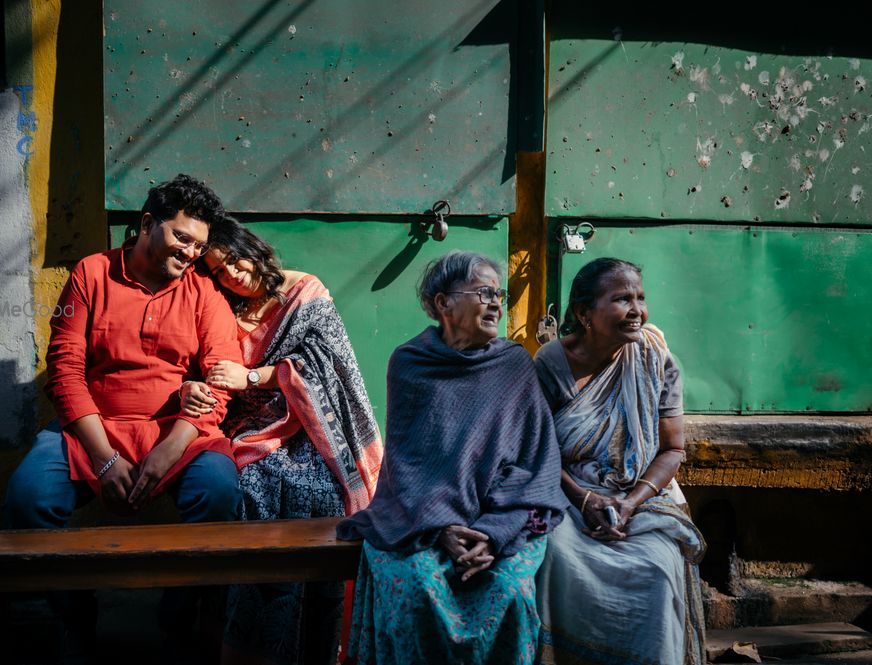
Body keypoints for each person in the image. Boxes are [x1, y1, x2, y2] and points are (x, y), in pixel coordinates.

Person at [4, 174, 244, 660]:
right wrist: (105, 458)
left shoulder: (204, 295)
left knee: (219, 494)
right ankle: (76, 616)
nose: (190, 253)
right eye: (181, 237)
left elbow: (219, 385)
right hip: (93, 427)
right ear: (147, 223)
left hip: (178, 435)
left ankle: (177, 619)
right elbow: (65, 372)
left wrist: (167, 454)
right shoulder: (92, 274)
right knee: (27, 499)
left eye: (199, 245)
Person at [334, 251, 569, 665]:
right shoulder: (410, 363)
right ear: (443, 303)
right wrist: (441, 528)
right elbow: (407, 466)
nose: (497, 302)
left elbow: (535, 464)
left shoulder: (513, 364)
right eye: (484, 292)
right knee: (414, 587)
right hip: (423, 519)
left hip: (501, 520)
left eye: (499, 293)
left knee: (508, 592)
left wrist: (494, 532)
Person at [179, 221, 383, 665]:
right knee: (251, 487)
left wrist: (253, 375)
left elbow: (328, 364)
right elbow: (197, 365)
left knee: (324, 493)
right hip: (252, 427)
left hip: (313, 429)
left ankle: (318, 644)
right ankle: (257, 645)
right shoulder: (219, 309)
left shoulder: (305, 291)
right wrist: (193, 386)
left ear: (251, 248)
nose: (231, 273)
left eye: (233, 259)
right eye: (217, 271)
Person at [533, 257, 707, 665]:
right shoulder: (549, 364)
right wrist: (584, 500)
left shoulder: (656, 361)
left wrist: (629, 503)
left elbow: (672, 450)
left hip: (641, 496)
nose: (637, 310)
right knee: (555, 556)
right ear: (583, 313)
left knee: (658, 569)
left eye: (640, 298)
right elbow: (536, 450)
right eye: (621, 299)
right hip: (565, 492)